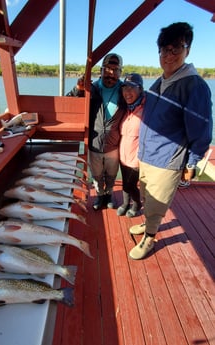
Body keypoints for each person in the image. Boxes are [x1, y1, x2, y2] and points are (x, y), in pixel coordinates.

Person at [128, 22, 213, 260]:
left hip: (167, 160)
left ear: (188, 50)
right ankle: (148, 225)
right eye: (164, 50)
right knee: (146, 195)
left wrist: (192, 163)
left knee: (157, 202)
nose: (169, 55)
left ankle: (150, 238)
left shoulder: (194, 86)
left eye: (176, 48)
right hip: (147, 155)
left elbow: (202, 130)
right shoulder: (160, 81)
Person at [67, 53, 124, 210]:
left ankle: (109, 194)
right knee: (97, 174)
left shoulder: (125, 91)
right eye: (107, 69)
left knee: (112, 174)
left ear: (120, 72)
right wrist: (78, 89)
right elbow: (68, 104)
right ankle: (100, 196)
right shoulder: (91, 89)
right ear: (101, 70)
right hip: (94, 143)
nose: (111, 73)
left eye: (115, 69)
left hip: (115, 144)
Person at [117, 73, 144, 217]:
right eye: (124, 88)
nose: (127, 92)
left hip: (136, 158)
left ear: (140, 89)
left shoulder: (147, 108)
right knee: (124, 182)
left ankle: (137, 204)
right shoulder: (126, 108)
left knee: (131, 184)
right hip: (123, 155)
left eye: (132, 88)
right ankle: (125, 203)